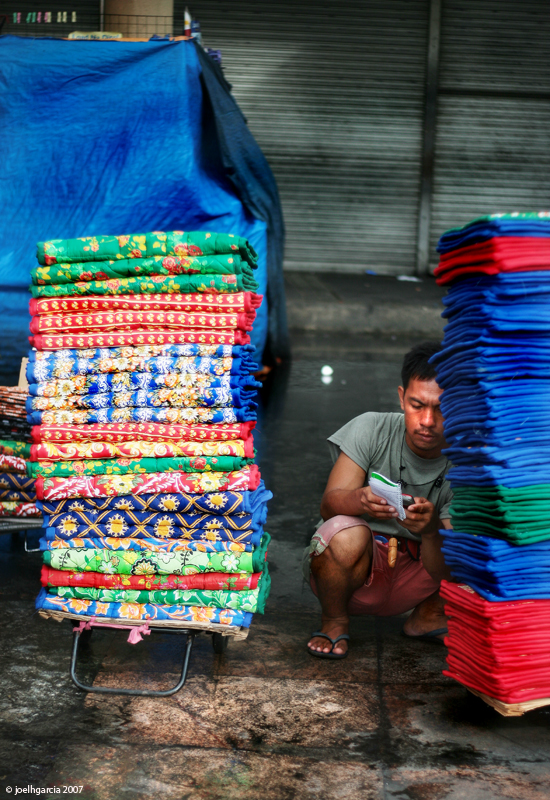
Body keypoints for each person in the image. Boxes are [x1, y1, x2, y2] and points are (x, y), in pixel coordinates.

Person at [303, 341, 453, 659]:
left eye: (442, 408)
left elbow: (450, 570)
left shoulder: (468, 462)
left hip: (419, 576)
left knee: (477, 542)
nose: (427, 420)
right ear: (401, 398)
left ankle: (428, 616)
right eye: (417, 405)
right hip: (353, 575)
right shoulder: (371, 427)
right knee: (343, 531)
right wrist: (359, 500)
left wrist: (429, 530)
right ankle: (334, 619)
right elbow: (328, 506)